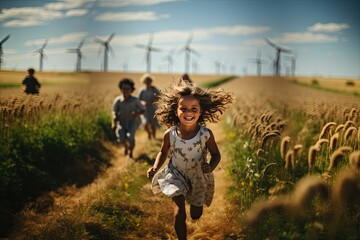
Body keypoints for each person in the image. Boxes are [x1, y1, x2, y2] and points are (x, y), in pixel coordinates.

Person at [147, 79, 234, 240]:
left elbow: (216, 154)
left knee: (195, 214)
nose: (188, 113)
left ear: (200, 112)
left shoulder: (205, 134)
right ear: (176, 111)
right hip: (176, 174)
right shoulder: (170, 134)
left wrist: (211, 166)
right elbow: (163, 152)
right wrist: (155, 167)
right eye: (183, 108)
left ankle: (196, 205)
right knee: (179, 213)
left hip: (198, 176)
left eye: (194, 109)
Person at [112, 78, 145, 159]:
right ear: (120, 89)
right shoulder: (118, 100)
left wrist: (137, 113)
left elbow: (143, 110)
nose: (125, 90)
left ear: (131, 90)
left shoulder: (135, 100)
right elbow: (114, 111)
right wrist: (114, 122)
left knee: (131, 137)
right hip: (122, 123)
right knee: (121, 138)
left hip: (133, 122)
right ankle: (126, 147)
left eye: (128, 89)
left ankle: (131, 152)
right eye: (124, 88)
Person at [138, 73, 161, 140]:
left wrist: (155, 100)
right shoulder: (142, 91)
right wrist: (143, 103)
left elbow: (160, 97)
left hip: (153, 109)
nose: (148, 82)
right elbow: (138, 100)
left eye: (149, 80)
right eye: (146, 80)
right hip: (145, 110)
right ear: (144, 81)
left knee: (153, 124)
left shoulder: (154, 89)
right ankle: (149, 133)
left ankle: (154, 137)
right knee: (145, 124)